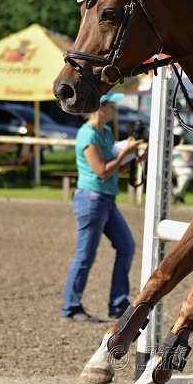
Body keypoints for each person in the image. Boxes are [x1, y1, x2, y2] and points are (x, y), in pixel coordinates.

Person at [61, 92, 144, 323]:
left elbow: (113, 169)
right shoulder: (87, 134)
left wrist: (135, 159)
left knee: (126, 247)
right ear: (99, 107)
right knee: (85, 256)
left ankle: (118, 304)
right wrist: (125, 154)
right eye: (112, 106)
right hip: (91, 199)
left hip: (106, 198)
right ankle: (71, 307)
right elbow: (102, 171)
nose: (115, 110)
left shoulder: (106, 133)